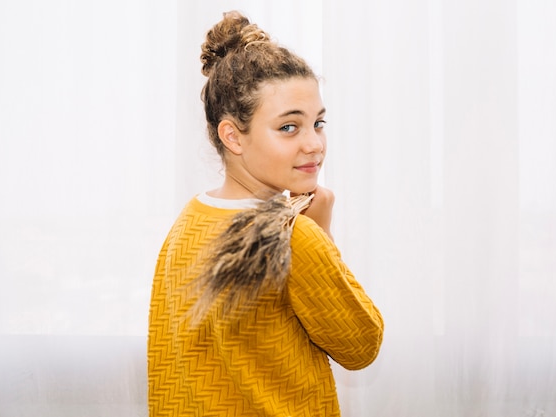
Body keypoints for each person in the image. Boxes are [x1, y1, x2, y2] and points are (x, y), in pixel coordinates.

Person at [147, 10, 384, 417]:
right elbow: (362, 345)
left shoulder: (188, 223)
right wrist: (320, 238)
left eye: (318, 123)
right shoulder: (294, 237)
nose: (314, 144)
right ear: (232, 136)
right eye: (289, 128)